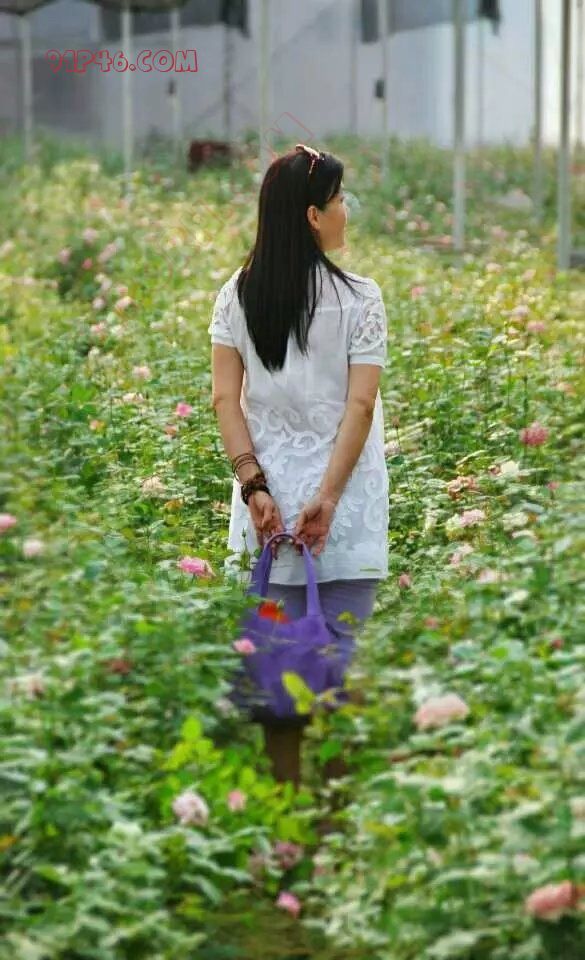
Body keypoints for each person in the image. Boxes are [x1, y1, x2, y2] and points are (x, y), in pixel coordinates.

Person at [208, 143, 389, 793]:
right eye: (339, 200)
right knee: (336, 675)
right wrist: (330, 498)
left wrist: (253, 485)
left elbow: (224, 400)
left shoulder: (236, 296)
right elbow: (359, 406)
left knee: (277, 679)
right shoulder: (360, 299)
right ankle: (333, 827)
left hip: (268, 518)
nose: (345, 211)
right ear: (313, 215)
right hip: (341, 514)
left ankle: (286, 823)